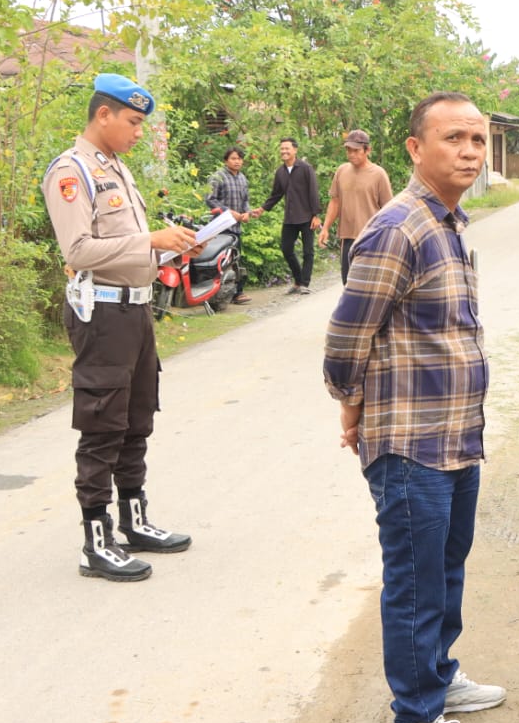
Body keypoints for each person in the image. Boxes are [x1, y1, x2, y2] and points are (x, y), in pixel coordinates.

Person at [323, 91, 505, 723]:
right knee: (414, 577)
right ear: (415, 148)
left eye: (478, 141)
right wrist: (351, 402)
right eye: (454, 137)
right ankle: (417, 718)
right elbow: (348, 331)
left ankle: (439, 673)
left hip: (456, 436)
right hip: (410, 445)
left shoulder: (449, 223)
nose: (469, 151)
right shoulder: (399, 226)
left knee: (446, 567)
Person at [41, 74, 199, 582]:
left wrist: (169, 245)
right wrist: (150, 240)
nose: (137, 132)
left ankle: (134, 521)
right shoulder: (71, 172)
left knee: (135, 420)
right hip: (103, 315)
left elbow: (132, 246)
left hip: (136, 310)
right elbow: (79, 251)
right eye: (132, 122)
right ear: (103, 115)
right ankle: (96, 540)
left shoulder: (118, 170)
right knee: (102, 425)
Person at [320, 129, 394, 284]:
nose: (351, 154)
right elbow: (335, 202)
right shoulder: (341, 171)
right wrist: (325, 228)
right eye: (348, 150)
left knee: (369, 285)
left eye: (356, 150)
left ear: (367, 150)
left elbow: (389, 210)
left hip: (371, 238)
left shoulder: (379, 174)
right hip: (347, 237)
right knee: (348, 283)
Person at [257, 137, 322, 294]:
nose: (284, 151)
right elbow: (276, 194)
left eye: (287, 148)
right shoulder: (280, 172)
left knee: (308, 252)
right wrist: (262, 209)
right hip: (290, 218)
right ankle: (298, 281)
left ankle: (305, 284)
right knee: (286, 249)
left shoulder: (306, 168)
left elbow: (313, 191)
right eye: (282, 149)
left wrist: (316, 215)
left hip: (307, 217)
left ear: (295, 150)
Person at [206, 146, 254, 304]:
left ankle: (237, 293)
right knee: (219, 261)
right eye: (233, 158)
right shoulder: (217, 177)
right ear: (226, 160)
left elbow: (245, 200)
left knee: (236, 259)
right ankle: (215, 295)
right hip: (220, 227)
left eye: (239, 158)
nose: (237, 161)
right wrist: (228, 212)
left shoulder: (243, 178)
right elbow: (210, 199)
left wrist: (246, 213)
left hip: (236, 228)